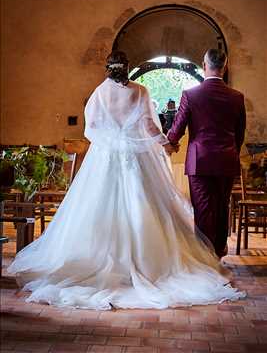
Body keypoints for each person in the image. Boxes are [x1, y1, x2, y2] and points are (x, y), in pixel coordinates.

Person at [7, 51, 245, 310]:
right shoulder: (140, 91)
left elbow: (92, 128)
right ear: (128, 68)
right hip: (138, 160)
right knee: (149, 206)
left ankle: (98, 261)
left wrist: (113, 142)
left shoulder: (99, 93)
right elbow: (149, 126)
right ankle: (178, 258)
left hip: (106, 160)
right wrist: (165, 143)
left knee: (97, 207)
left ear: (108, 69)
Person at [167, 49, 246, 258]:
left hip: (199, 161)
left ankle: (205, 257)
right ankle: (218, 252)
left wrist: (170, 142)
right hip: (227, 160)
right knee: (221, 207)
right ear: (225, 66)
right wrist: (230, 152)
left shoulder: (191, 95)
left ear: (204, 65)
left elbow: (176, 130)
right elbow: (240, 134)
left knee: (203, 210)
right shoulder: (237, 98)